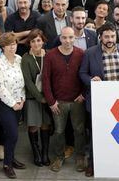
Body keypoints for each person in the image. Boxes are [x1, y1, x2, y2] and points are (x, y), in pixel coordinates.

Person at [79, 23, 119, 176]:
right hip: (99, 101)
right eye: (106, 36)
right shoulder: (90, 53)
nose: (110, 39)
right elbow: (82, 73)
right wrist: (91, 80)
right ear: (100, 37)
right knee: (96, 134)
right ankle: (92, 164)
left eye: (112, 36)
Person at [43, 27, 85, 173]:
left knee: (79, 130)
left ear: (75, 38)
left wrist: (83, 94)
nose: (68, 41)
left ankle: (80, 156)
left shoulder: (81, 54)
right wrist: (51, 101)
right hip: (58, 102)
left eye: (71, 37)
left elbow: (86, 74)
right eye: (65, 37)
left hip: (77, 101)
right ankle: (59, 157)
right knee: (59, 131)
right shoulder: (50, 56)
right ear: (60, 38)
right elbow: (46, 80)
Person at [0, 32, 26, 179]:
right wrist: (13, 104)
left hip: (19, 102)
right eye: (9, 45)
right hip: (4, 104)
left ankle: (10, 158)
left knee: (11, 134)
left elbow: (23, 82)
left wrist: (22, 99)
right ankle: (7, 164)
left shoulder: (19, 59)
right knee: (12, 134)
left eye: (14, 44)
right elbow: (0, 88)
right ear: (2, 47)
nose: (12, 47)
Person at [21, 29, 51, 167]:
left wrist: (48, 97)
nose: (36, 43)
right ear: (29, 43)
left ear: (43, 41)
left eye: (38, 40)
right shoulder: (26, 58)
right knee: (33, 125)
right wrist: (40, 98)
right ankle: (36, 153)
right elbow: (28, 82)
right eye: (33, 41)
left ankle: (45, 152)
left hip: (48, 96)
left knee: (45, 124)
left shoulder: (49, 55)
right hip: (33, 97)